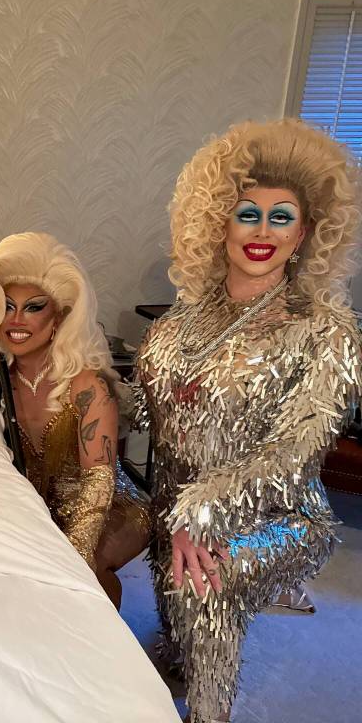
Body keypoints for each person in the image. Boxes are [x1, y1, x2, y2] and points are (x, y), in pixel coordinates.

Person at [132, 119, 361, 723]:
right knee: (164, 558)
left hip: (278, 517)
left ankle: (209, 715)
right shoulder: (178, 322)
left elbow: (295, 454)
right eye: (247, 214)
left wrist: (203, 512)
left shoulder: (324, 331)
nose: (263, 231)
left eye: (281, 217)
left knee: (205, 578)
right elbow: (149, 412)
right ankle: (180, 652)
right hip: (175, 504)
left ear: (304, 233)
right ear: (219, 225)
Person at [0, 232, 150, 608]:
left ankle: (100, 638)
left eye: (33, 308)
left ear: (58, 317)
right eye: (7, 307)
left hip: (106, 504)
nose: (16, 320)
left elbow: (99, 481)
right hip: (33, 503)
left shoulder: (87, 385)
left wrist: (72, 556)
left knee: (86, 571)